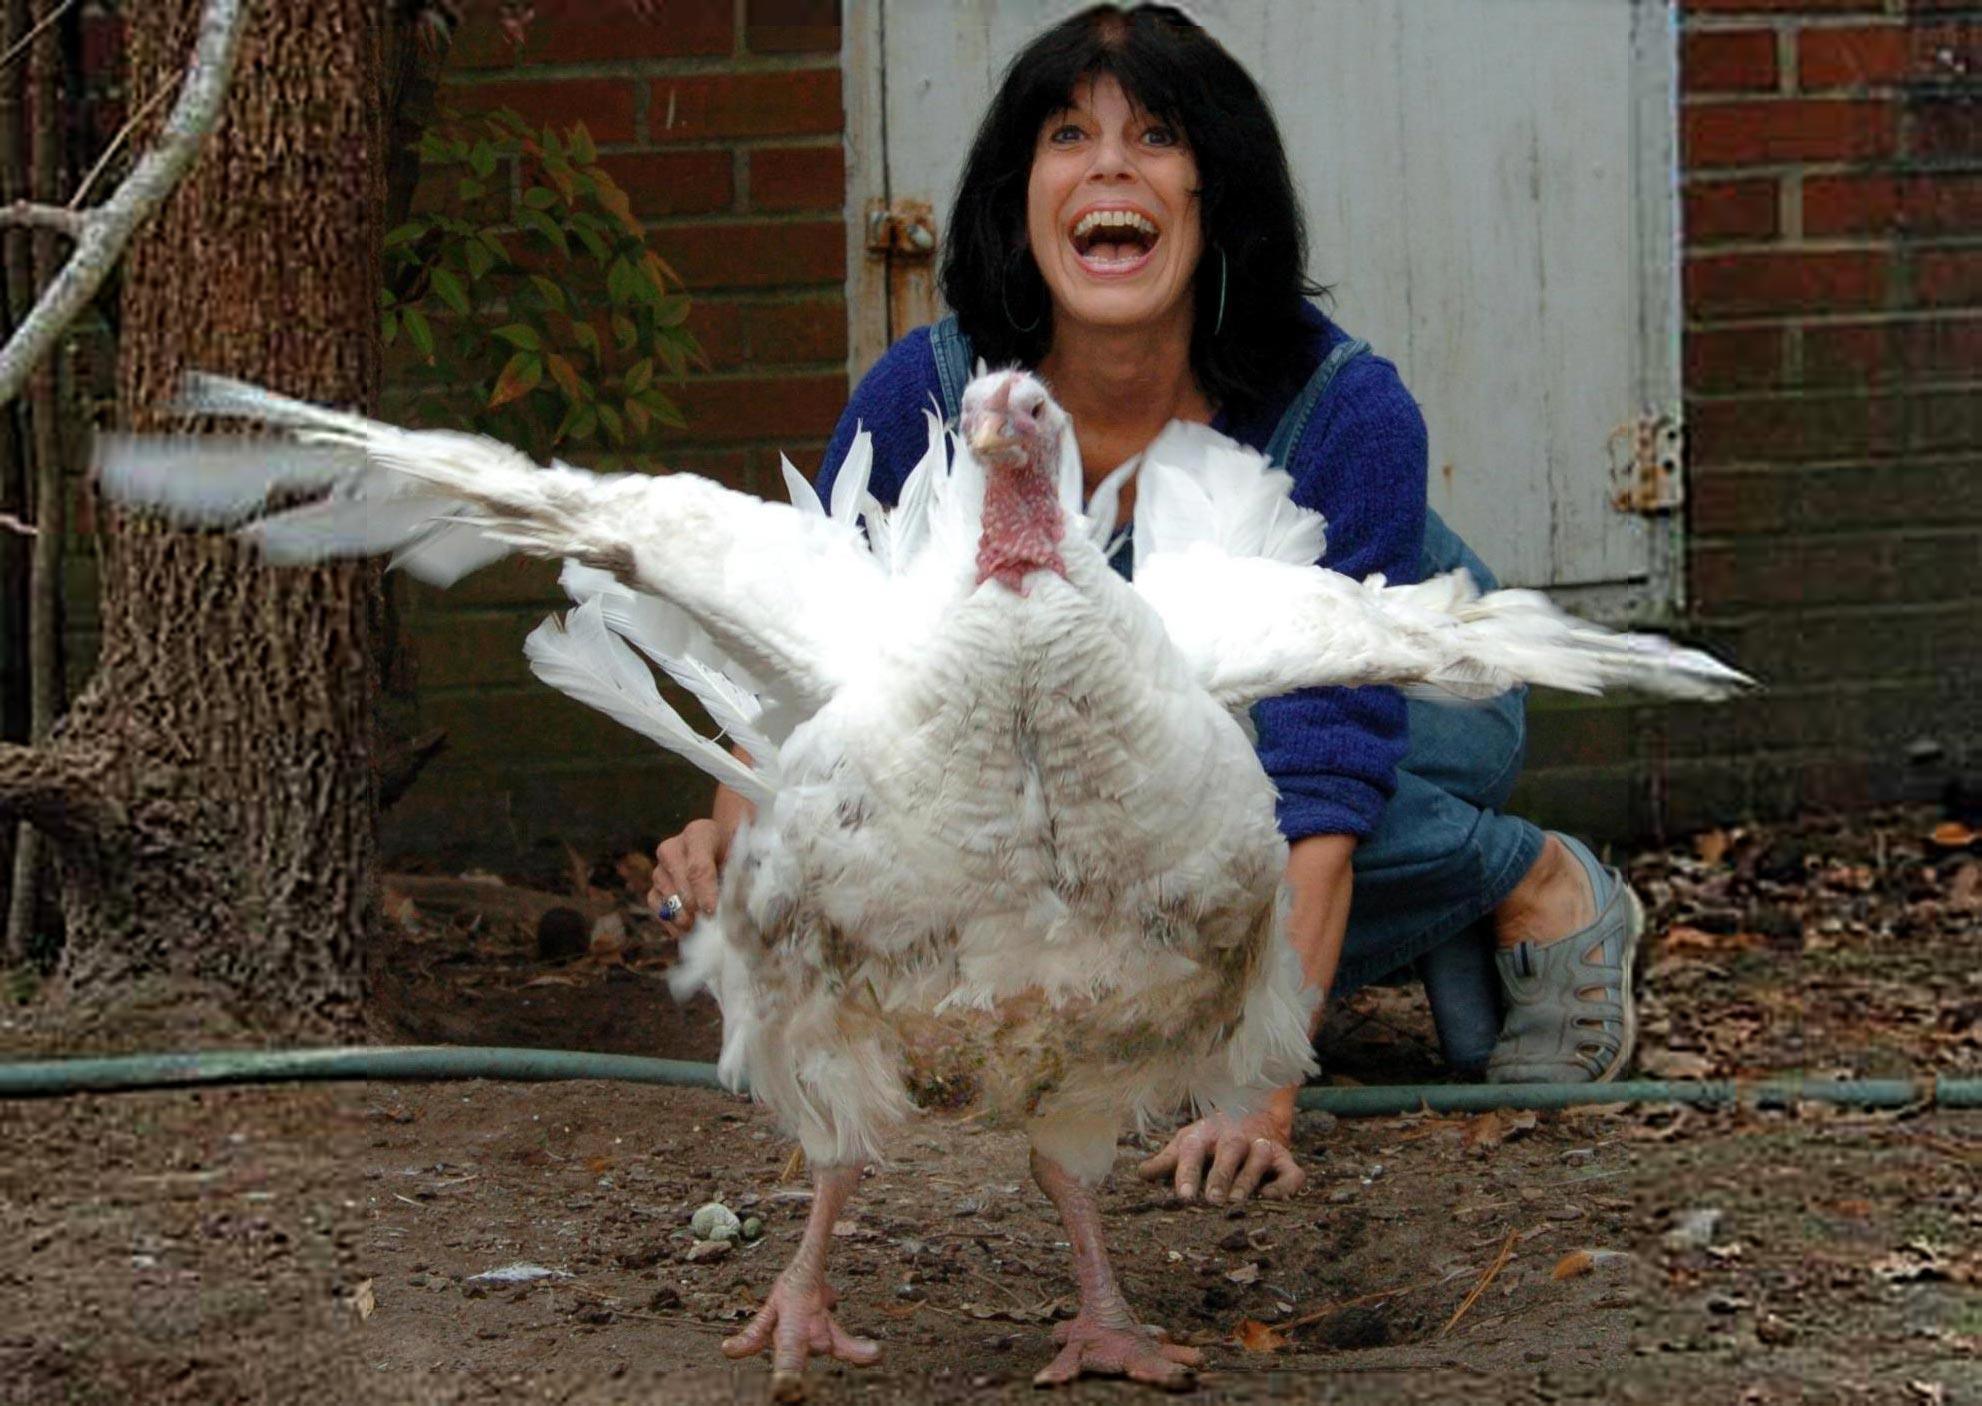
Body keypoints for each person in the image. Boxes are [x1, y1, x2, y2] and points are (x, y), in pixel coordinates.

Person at [649, 2, 1643, 1206]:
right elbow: (812, 674)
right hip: (1100, 744)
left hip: (1400, 706)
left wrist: (1257, 1087)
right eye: (1067, 136)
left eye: (1157, 136)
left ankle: (1524, 874)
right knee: (1055, 848)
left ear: (1212, 193)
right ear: (1021, 193)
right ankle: (1427, 912)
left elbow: (1320, 773)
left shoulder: (1345, 412)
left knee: (1201, 830)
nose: (1109, 166)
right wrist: (736, 834)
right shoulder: (928, 394)